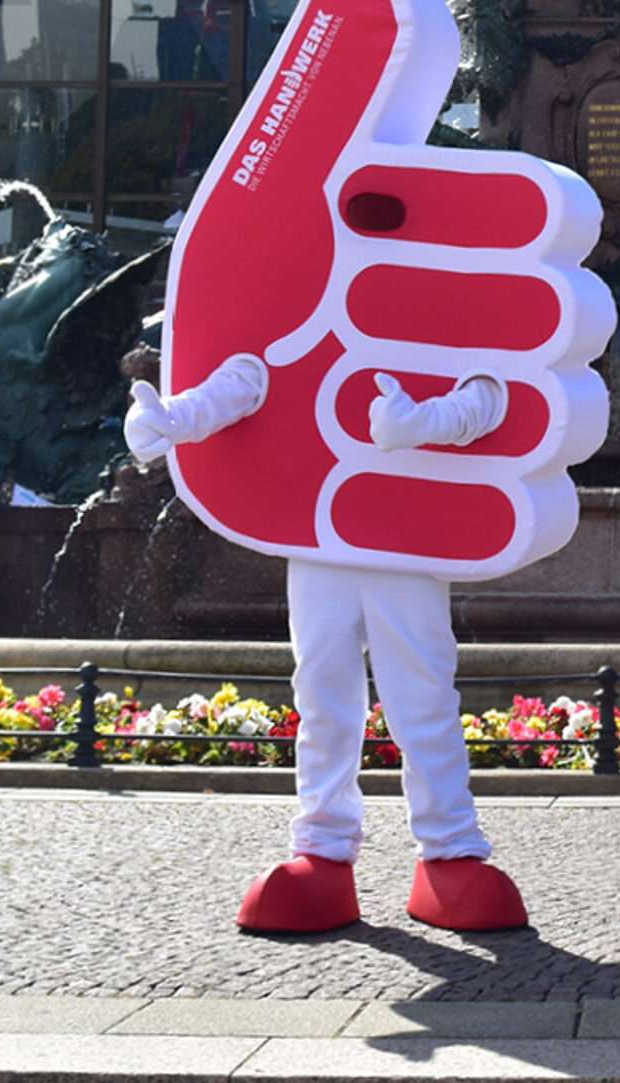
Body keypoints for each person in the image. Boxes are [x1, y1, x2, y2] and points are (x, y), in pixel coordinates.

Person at [125, 361, 527, 935]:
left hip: (405, 526)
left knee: (421, 693)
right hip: (318, 524)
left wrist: (427, 419)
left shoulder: (445, 284)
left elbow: (490, 384)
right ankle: (323, 848)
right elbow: (249, 376)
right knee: (321, 691)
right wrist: (174, 418)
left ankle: (450, 849)